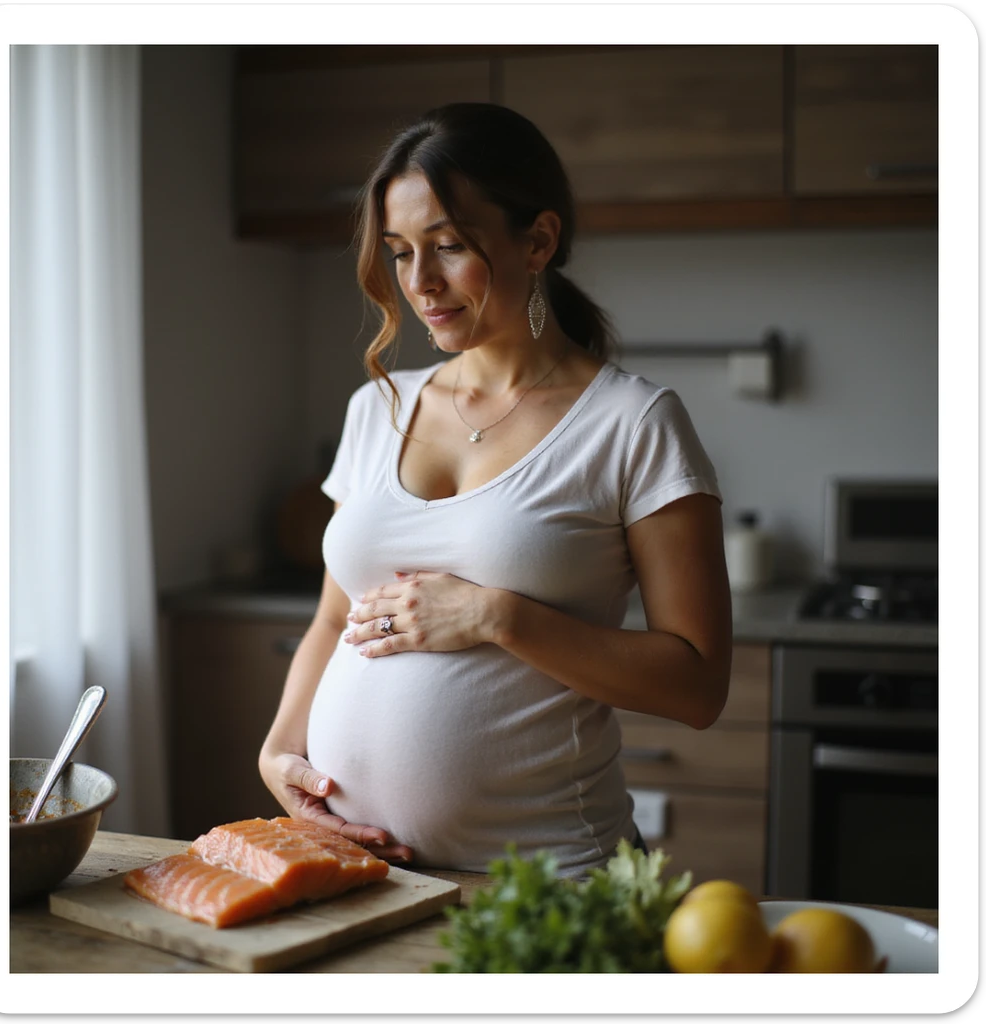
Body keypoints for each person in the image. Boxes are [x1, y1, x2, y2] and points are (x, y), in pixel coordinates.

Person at [259, 102, 732, 878]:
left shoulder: (633, 421)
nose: (419, 283)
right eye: (400, 251)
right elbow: (334, 617)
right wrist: (280, 749)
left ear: (538, 240)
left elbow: (698, 686)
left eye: (447, 247)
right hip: (367, 875)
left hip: (551, 882)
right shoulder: (376, 407)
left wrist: (497, 616)